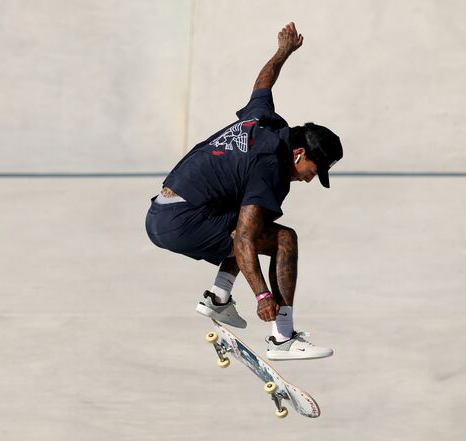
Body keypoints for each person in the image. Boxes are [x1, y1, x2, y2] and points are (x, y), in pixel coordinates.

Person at [145, 22, 342, 360]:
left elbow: (263, 83)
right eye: (314, 170)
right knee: (283, 239)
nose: (311, 179)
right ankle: (283, 337)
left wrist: (282, 52)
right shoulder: (269, 169)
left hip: (163, 211)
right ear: (299, 154)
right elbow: (244, 240)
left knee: (244, 219)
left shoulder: (265, 121)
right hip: (182, 222)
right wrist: (263, 297)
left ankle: (219, 297)